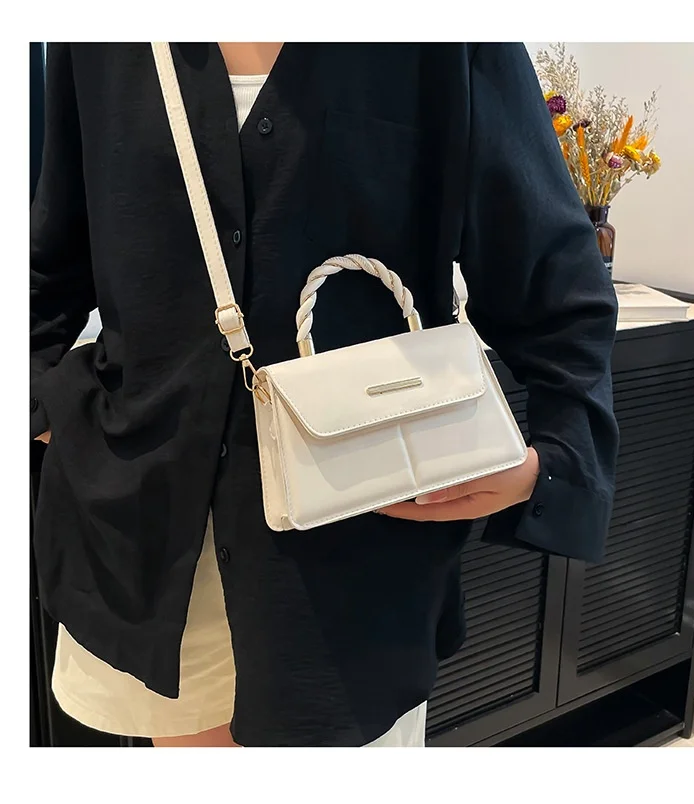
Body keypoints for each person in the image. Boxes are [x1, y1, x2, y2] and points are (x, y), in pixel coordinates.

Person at [30, 42, 619, 748]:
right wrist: (41, 408)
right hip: (141, 541)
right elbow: (47, 263)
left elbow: (555, 281)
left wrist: (555, 460)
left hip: (355, 558)